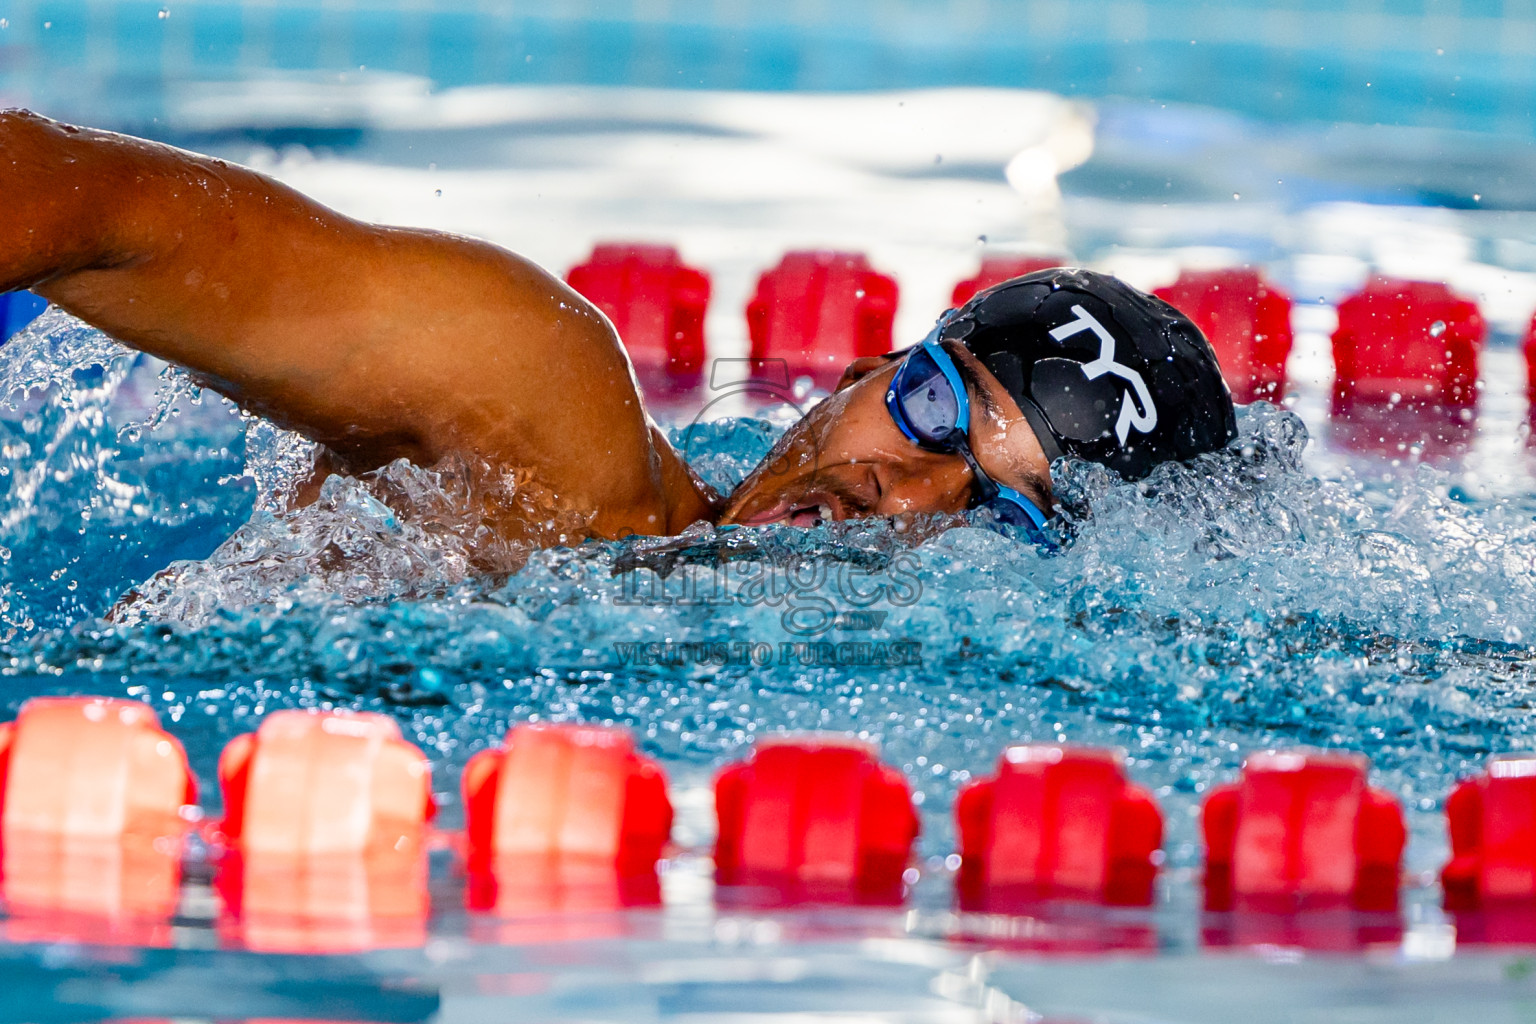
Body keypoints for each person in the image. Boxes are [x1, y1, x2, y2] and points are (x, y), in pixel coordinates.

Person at [0, 110, 1236, 555]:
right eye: (927, 407)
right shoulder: (550, 424)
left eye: (996, 505)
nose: (894, 487)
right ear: (863, 372)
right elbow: (95, 205)